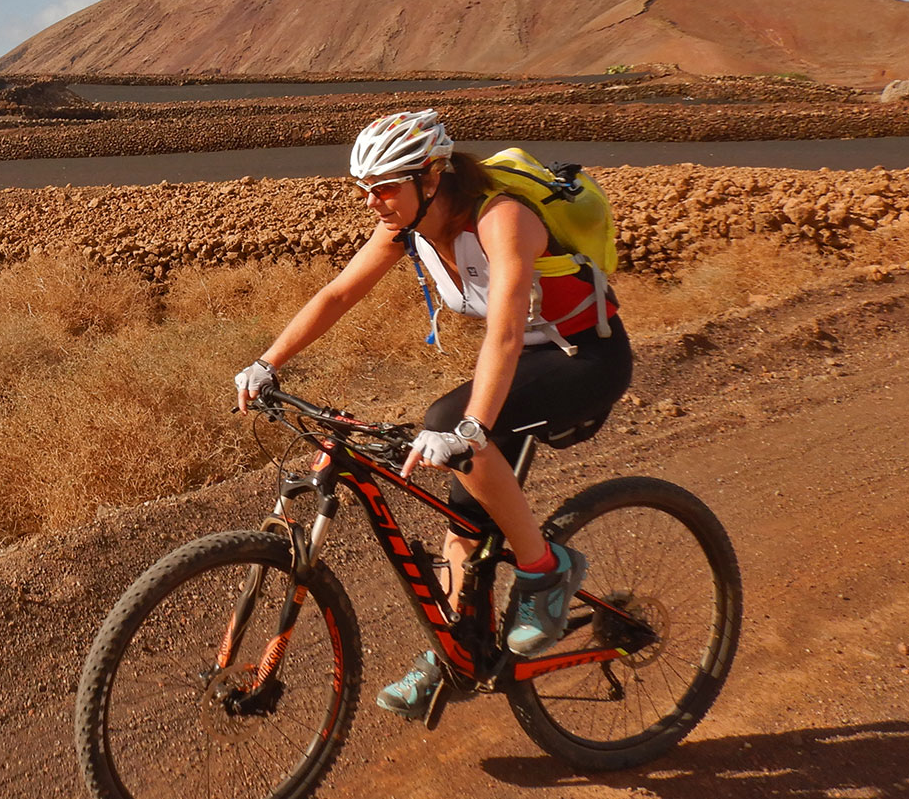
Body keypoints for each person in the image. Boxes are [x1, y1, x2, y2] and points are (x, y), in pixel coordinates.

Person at [233, 109, 633, 719]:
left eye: (386, 186)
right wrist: (267, 361)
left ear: (432, 175)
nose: (373, 202)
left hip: (585, 357)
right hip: (524, 363)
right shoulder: (409, 224)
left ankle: (547, 571)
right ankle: (453, 654)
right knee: (463, 523)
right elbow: (337, 294)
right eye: (365, 190)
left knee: (447, 422)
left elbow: (502, 332)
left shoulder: (503, 219)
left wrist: (470, 428)